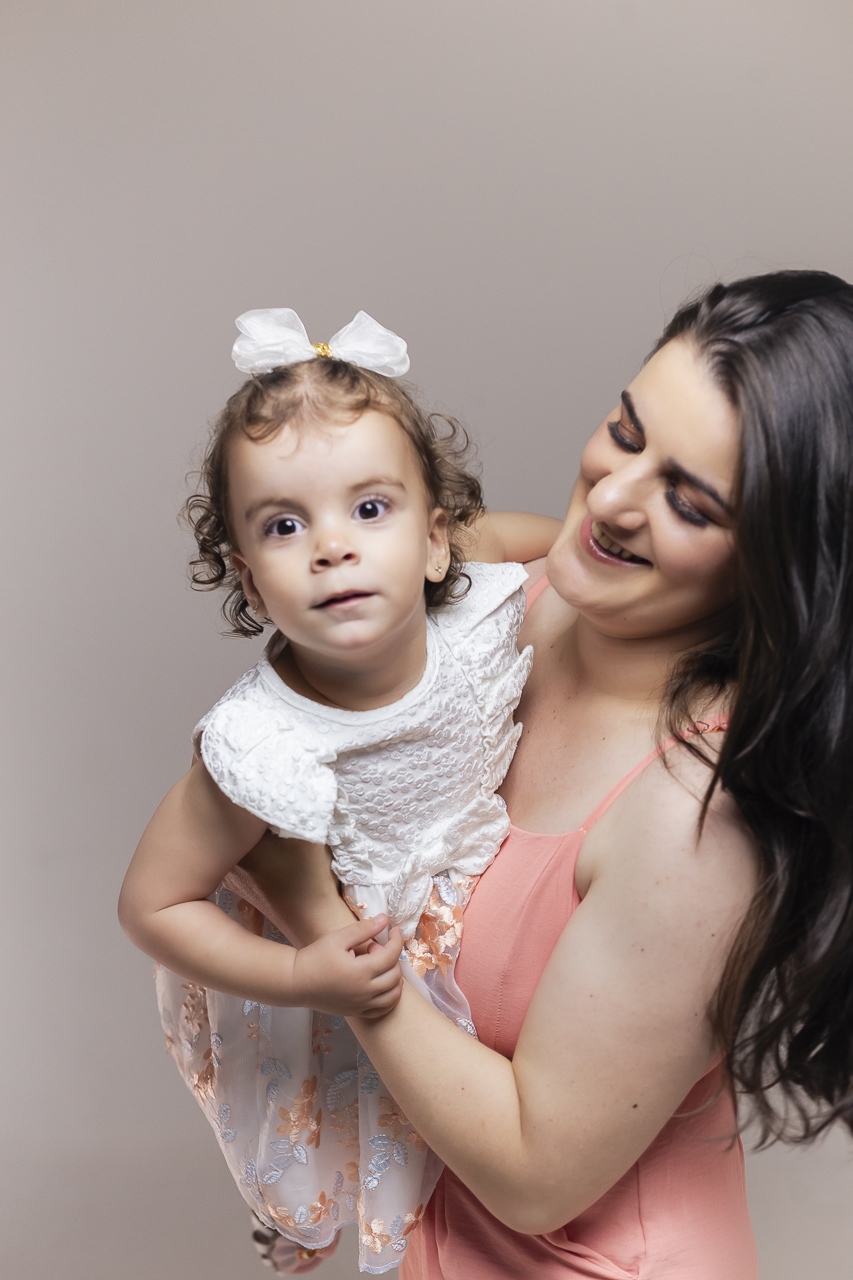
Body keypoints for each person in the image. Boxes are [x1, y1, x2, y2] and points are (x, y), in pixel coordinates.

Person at [238, 272, 853, 1278]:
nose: (610, 499)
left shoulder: (695, 814)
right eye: (625, 431)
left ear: (776, 562)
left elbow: (536, 1175)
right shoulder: (505, 601)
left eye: (687, 500)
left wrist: (313, 915)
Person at [118, 307, 561, 1275]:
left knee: (472, 1137)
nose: (332, 547)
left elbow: (570, 551)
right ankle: (294, 1211)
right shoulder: (260, 746)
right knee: (320, 1111)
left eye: (369, 509)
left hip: (459, 897)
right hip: (321, 954)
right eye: (285, 525)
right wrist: (299, 977)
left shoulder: (477, 587)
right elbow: (151, 903)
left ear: (438, 540)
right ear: (250, 581)